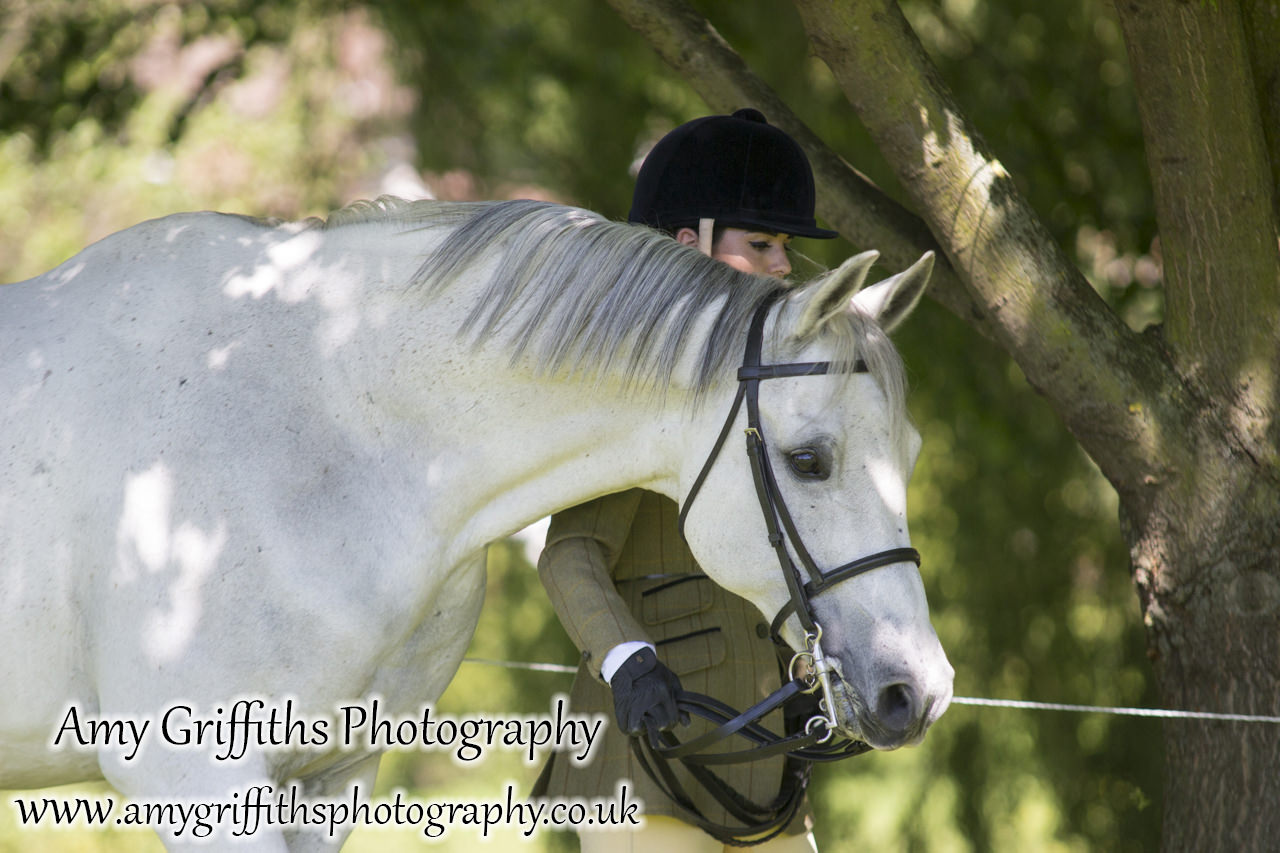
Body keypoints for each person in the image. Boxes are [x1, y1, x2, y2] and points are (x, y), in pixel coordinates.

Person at [535, 109, 838, 853]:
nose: (781, 265)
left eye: (785, 247)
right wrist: (624, 658)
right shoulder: (631, 396)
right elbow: (569, 555)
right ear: (687, 244)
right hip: (643, 762)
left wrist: (800, 671)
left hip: (759, 763)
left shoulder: (759, 405)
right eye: (759, 243)